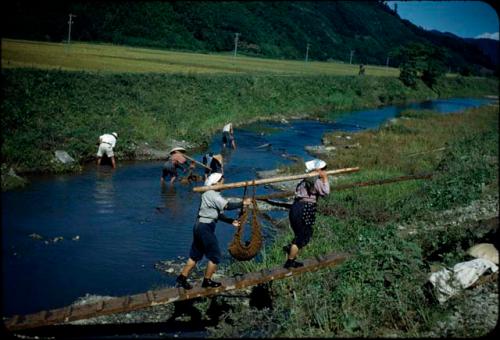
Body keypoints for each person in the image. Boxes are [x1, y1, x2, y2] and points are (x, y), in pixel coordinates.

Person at [176, 173, 251, 289]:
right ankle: (207, 281)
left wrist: (230, 221)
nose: (223, 183)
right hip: (205, 228)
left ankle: (181, 278)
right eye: (222, 181)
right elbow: (227, 206)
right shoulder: (212, 194)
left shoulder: (209, 194)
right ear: (215, 183)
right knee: (215, 256)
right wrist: (242, 203)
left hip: (199, 226)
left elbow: (216, 214)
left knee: (195, 255)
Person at [283, 159, 330, 269]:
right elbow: (326, 192)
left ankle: (292, 257)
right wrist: (325, 178)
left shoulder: (303, 180)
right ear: (319, 170)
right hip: (305, 209)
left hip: (296, 208)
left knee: (300, 234)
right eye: (324, 170)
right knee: (302, 237)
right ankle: (289, 262)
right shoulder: (315, 181)